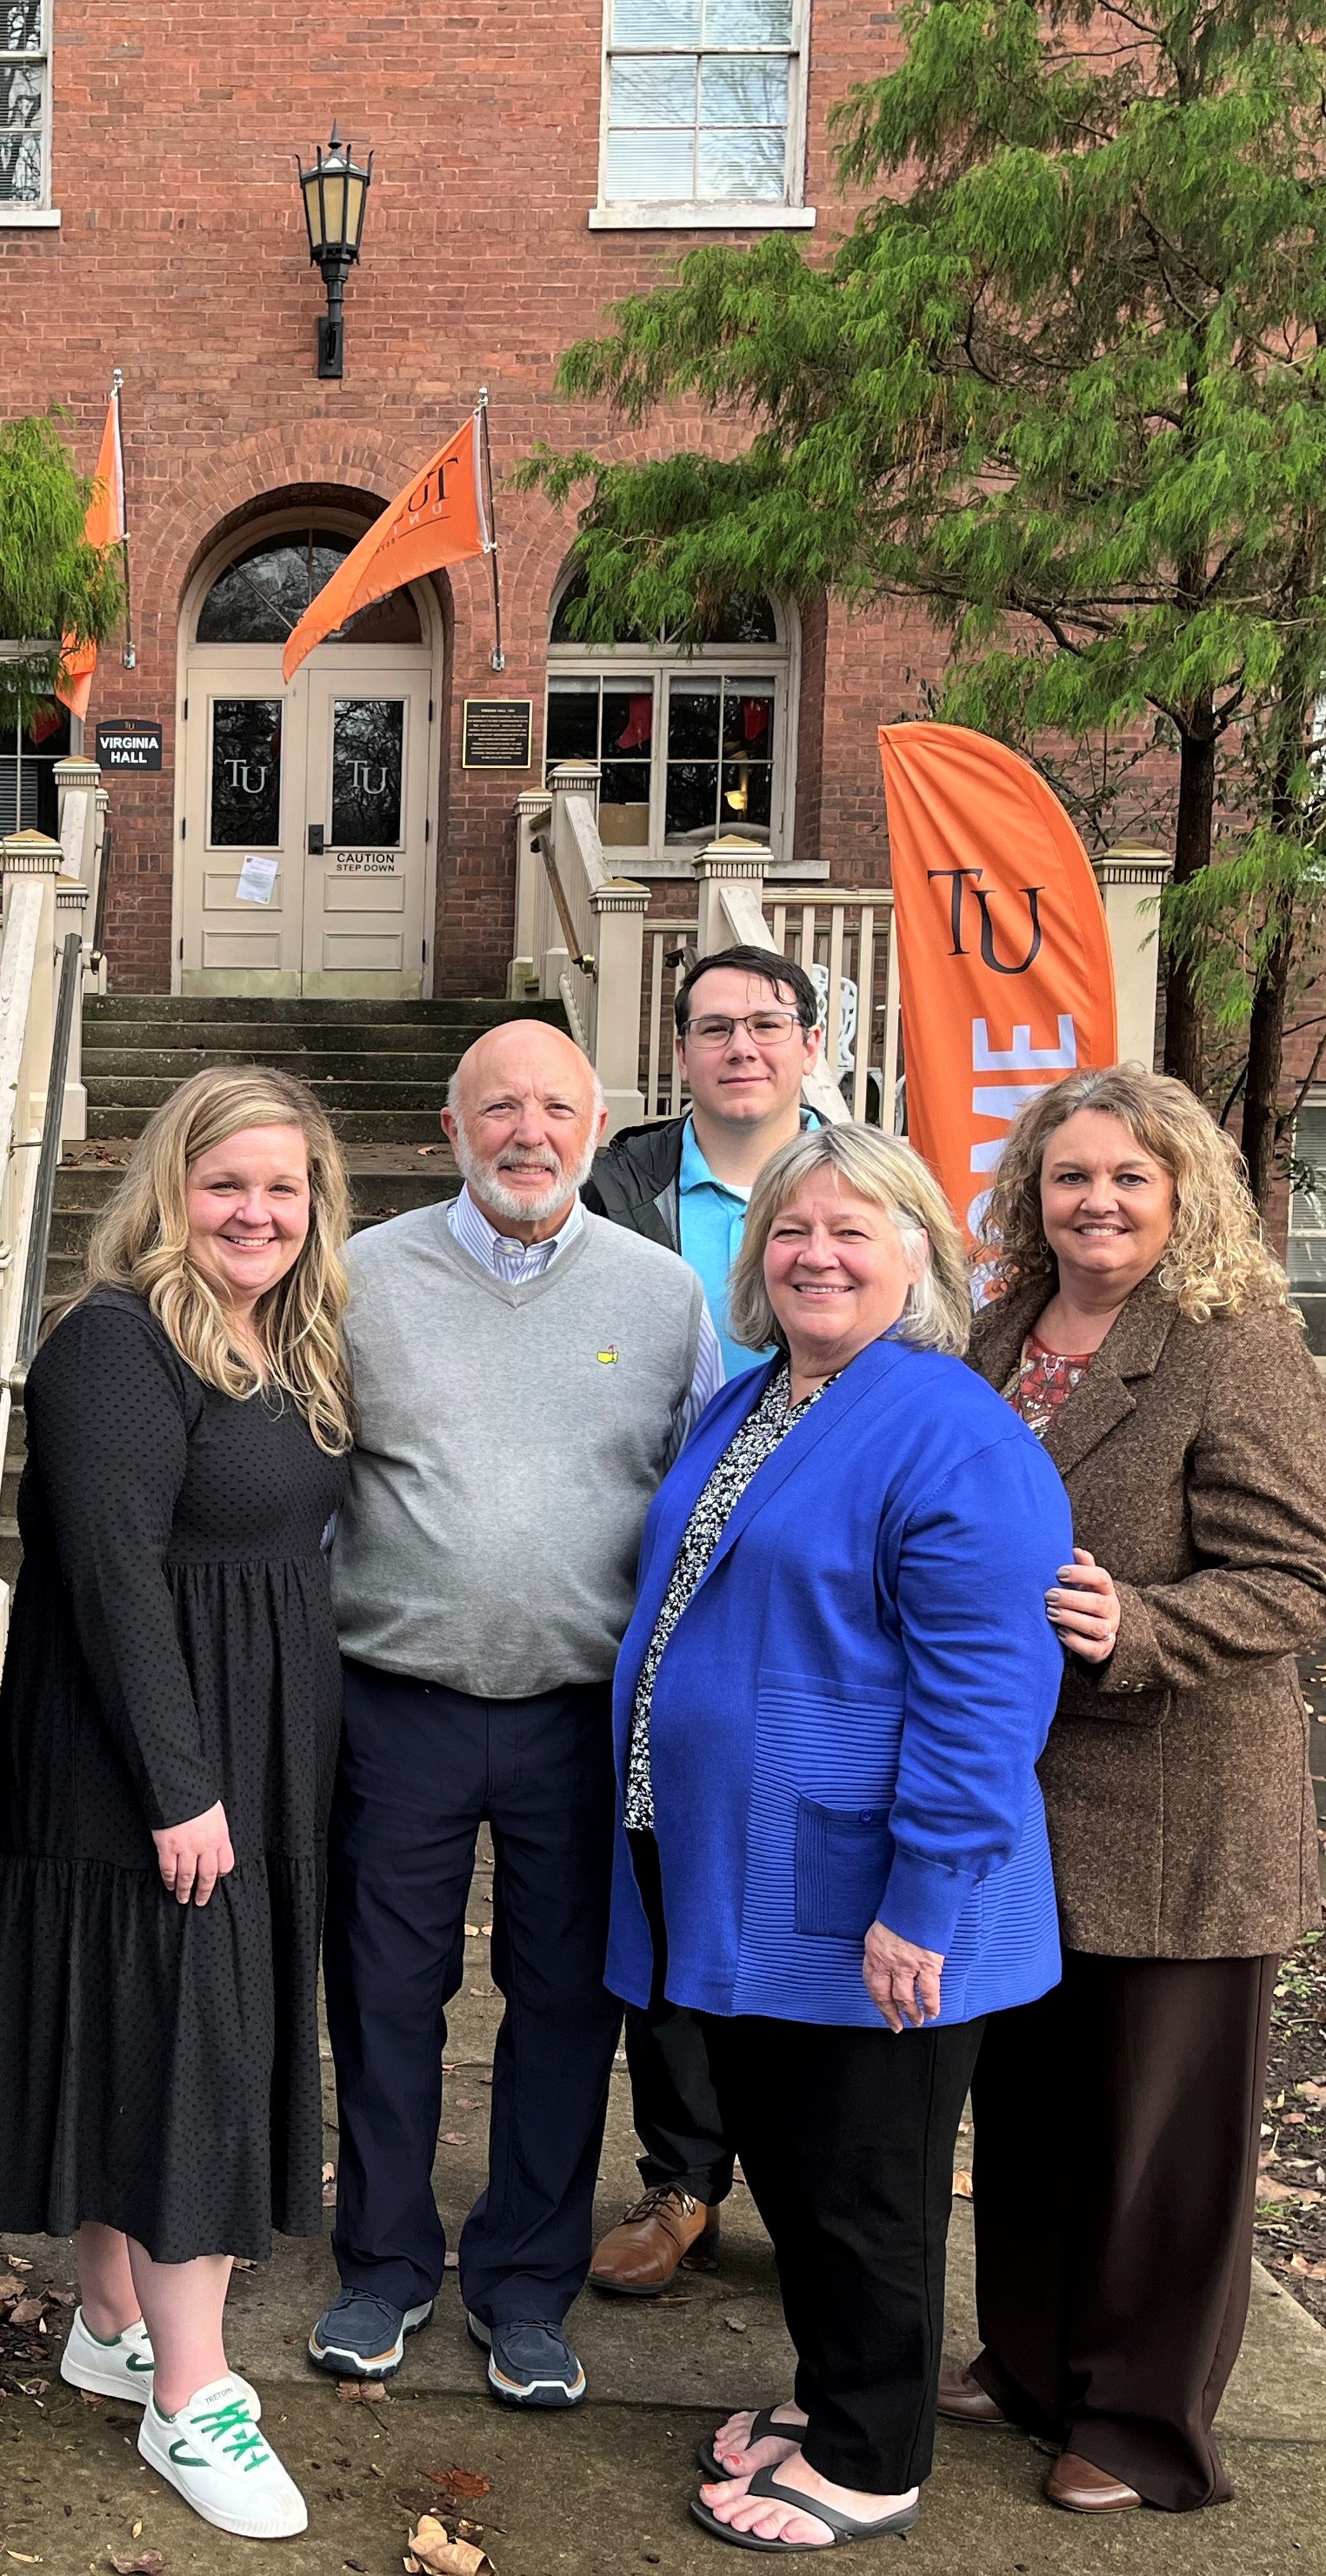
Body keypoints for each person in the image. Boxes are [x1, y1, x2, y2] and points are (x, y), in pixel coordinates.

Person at [616, 1123, 1072, 2553]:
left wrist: (925, 1897)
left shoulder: (951, 1431)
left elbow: (988, 1693)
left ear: (918, 1255)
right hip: (745, 1868)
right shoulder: (762, 1397)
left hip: (868, 1884)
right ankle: (827, 2396)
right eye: (791, 1233)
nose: (815, 1255)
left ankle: (873, 2457)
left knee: (865, 2186)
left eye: (852, 1232)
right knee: (798, 2164)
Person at [0, 1066, 356, 2541]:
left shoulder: (286, 1337)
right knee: (200, 2057)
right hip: (151, 1758)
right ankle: (193, 2395)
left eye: (283, 1187)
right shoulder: (118, 1342)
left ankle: (110, 2321)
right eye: (226, 1182)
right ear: (169, 1190)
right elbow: (111, 1580)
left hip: (256, 1739)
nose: (257, 1211)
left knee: (162, 2030)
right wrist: (183, 1786)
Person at [943, 1065, 1326, 2515]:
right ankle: (1035, 2359)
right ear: (1030, 1195)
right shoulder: (1001, 1332)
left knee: (1160, 2139)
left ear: (1182, 1191)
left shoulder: (1229, 1345)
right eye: (1070, 1177)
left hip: (1183, 1803)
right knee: (1038, 2105)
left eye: (1127, 1177)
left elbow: (1298, 1575)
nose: (1096, 1201)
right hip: (1022, 1796)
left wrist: (1146, 1627)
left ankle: (1142, 2422)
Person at [308, 1018, 718, 2412]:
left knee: (564, 2007)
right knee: (382, 1999)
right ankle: (382, 2266)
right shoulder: (359, 1280)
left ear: (598, 1129)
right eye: (499, 1108)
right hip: (398, 1705)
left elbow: (702, 1505)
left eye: (555, 1107)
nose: (526, 1133)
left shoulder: (665, 1299)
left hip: (581, 1721)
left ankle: (526, 2286)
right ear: (451, 1125)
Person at [578, 943, 825, 2299]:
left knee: (796, 1879)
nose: (741, 1047)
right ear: (680, 1052)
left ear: (809, 1043)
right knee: (664, 1873)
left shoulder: (862, 1190)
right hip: (662, 1578)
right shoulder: (620, 1185)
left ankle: (803, 2177)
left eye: (766, 1024)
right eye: (714, 1027)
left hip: (817, 1587)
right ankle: (682, 2179)